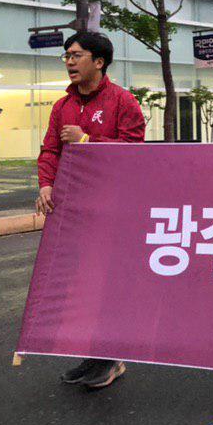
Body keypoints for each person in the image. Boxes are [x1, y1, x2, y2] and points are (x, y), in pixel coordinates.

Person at [36, 31, 145, 390]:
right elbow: (50, 150)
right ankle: (92, 355)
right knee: (80, 285)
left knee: (107, 284)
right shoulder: (61, 106)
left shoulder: (123, 101)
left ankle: (111, 358)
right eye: (67, 55)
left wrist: (86, 140)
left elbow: (135, 151)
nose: (69, 61)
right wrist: (46, 184)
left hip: (114, 210)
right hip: (74, 211)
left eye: (77, 55)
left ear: (99, 62)